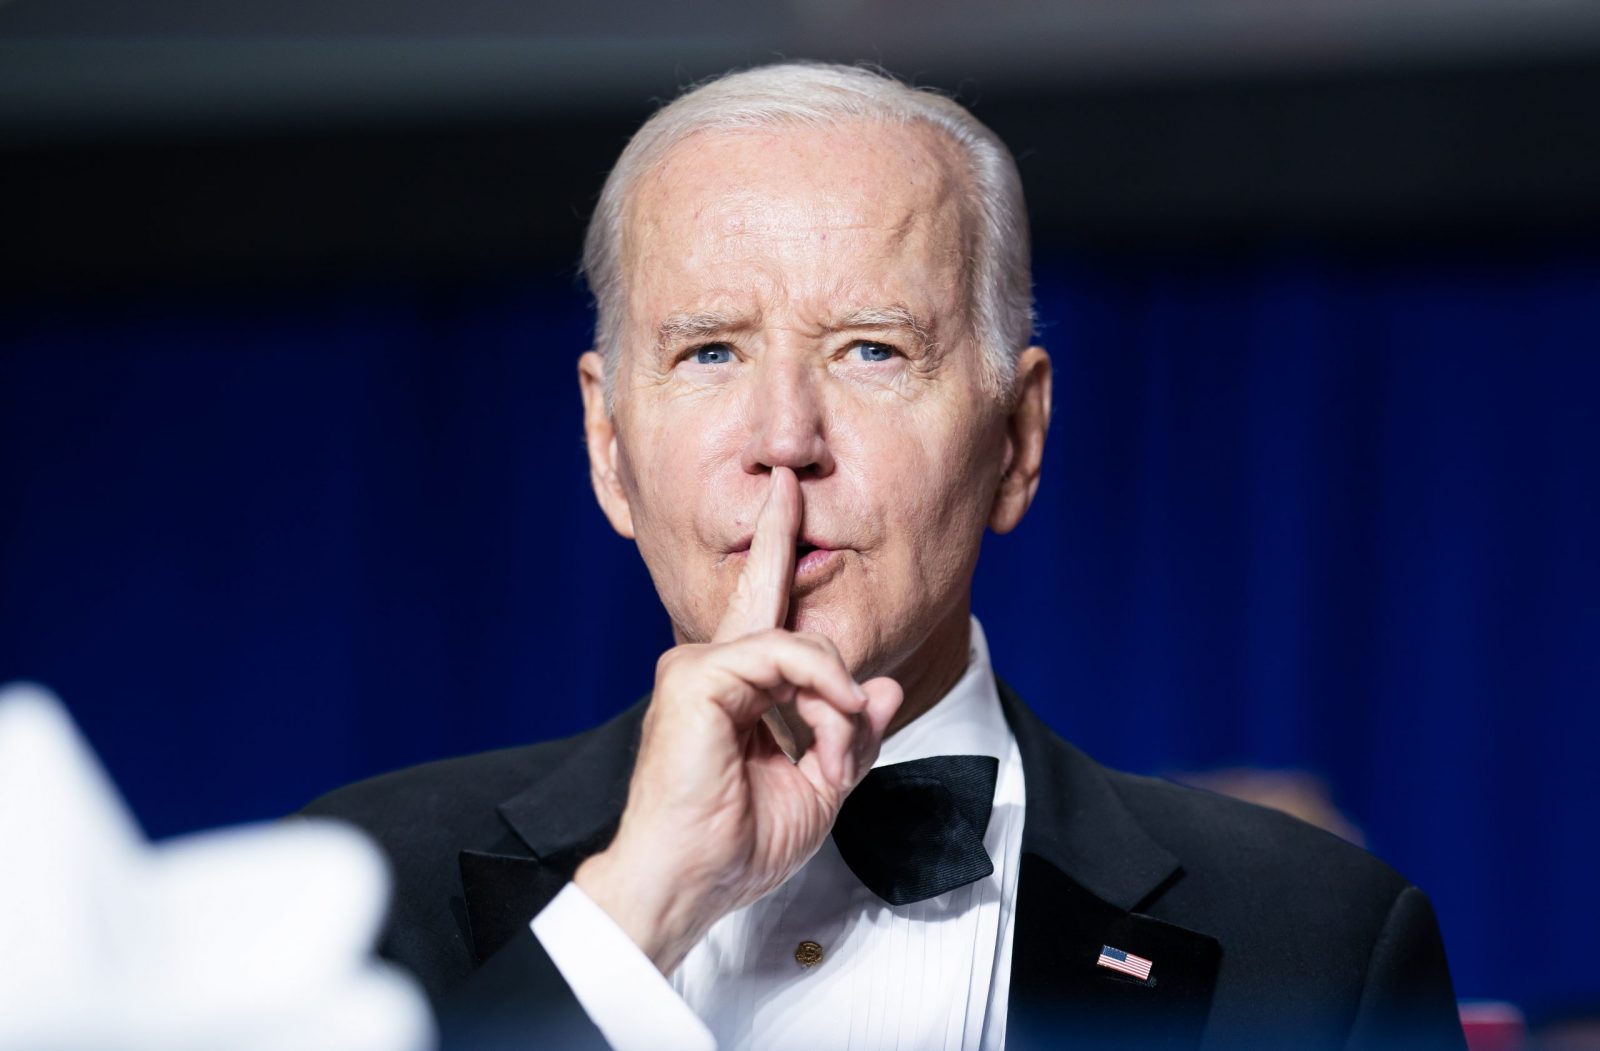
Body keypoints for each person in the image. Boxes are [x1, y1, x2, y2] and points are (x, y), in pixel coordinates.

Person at [303, 61, 1466, 1051]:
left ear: (1015, 440)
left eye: (870, 350)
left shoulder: (1317, 944)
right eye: (709, 352)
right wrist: (633, 908)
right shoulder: (351, 891)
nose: (783, 443)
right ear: (610, 449)